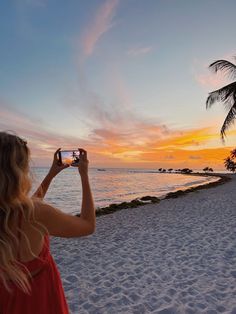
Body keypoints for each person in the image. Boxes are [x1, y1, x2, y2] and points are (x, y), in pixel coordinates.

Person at [0, 132, 95, 313]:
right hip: (37, 299)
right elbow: (88, 225)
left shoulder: (21, 212)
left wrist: (51, 174)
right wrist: (84, 175)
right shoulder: (36, 214)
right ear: (18, 171)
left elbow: (28, 207)